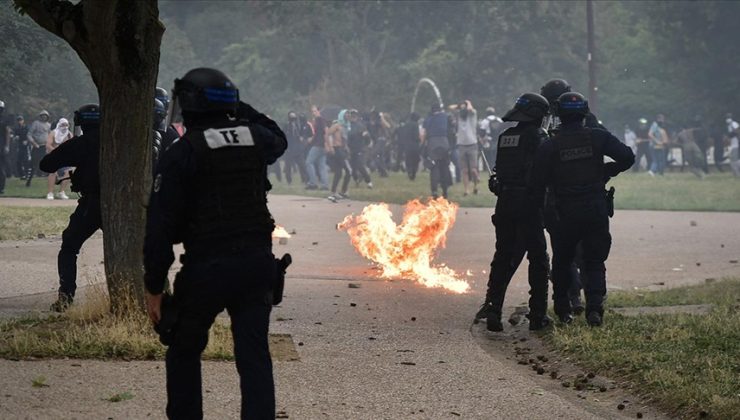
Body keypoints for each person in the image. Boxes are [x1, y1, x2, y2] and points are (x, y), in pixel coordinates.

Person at [144, 68, 287, 419]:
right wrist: (239, 107)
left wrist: (153, 286)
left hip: (208, 268)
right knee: (254, 357)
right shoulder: (255, 137)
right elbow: (279, 138)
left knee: (183, 352)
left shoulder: (183, 150)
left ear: (190, 104)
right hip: (256, 266)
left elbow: (160, 226)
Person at [531, 92, 634, 327]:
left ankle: (563, 309)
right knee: (595, 260)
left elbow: (537, 183)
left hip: (564, 212)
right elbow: (628, 156)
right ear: (584, 112)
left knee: (563, 260)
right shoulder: (598, 138)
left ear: (559, 114)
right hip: (595, 208)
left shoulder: (550, 146)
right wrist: (607, 171)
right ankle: (595, 308)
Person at [475, 93, 552, 332]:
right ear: (539, 116)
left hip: (505, 202)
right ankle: (538, 315)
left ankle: (493, 309)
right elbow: (545, 170)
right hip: (529, 203)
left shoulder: (506, 137)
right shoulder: (538, 137)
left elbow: (501, 171)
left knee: (502, 257)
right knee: (538, 259)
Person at [40, 104, 102, 311]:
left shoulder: (79, 143)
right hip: (117, 205)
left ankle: (66, 296)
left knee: (69, 247)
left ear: (80, 122)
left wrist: (70, 152)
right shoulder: (117, 142)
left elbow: (46, 165)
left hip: (91, 203)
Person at [421, 103, 452, 198]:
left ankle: (434, 191)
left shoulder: (428, 119)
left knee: (434, 166)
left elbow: (423, 133)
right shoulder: (445, 116)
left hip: (432, 142)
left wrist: (422, 144)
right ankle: (445, 190)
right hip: (444, 142)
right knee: (444, 166)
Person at [326, 109, 352, 201]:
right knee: (349, 170)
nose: (348, 115)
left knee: (339, 172)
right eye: (347, 113)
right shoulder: (337, 125)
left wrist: (347, 147)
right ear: (342, 115)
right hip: (337, 149)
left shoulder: (346, 126)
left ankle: (334, 192)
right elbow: (328, 134)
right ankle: (343, 191)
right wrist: (331, 147)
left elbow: (344, 139)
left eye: (349, 113)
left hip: (342, 149)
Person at [45, 118, 73, 200]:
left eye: (66, 125)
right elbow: (48, 145)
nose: (64, 127)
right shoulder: (53, 133)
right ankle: (50, 193)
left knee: (69, 172)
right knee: (53, 172)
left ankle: (61, 192)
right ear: (59, 125)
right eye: (63, 125)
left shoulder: (69, 134)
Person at [455, 100, 479, 196]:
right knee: (464, 170)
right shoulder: (459, 116)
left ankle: (476, 186)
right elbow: (450, 107)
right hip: (461, 145)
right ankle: (466, 190)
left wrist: (468, 102)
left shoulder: (472, 116)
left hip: (472, 144)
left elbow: (470, 109)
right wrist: (459, 105)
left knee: (473, 170)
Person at [305, 105, 329, 190]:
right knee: (321, 165)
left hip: (319, 145)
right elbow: (318, 132)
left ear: (319, 111)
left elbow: (326, 131)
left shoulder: (319, 119)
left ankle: (313, 183)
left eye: (315, 111)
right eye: (312, 111)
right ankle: (325, 185)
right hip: (320, 145)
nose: (313, 113)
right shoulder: (318, 120)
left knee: (308, 162)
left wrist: (326, 143)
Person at [347, 109, 373, 189]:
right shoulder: (348, 126)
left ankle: (368, 181)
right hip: (351, 149)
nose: (353, 117)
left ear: (357, 116)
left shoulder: (360, 126)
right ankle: (357, 180)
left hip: (360, 148)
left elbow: (366, 136)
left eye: (354, 115)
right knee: (353, 168)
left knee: (360, 165)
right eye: (352, 115)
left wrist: (367, 144)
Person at [282, 111, 309, 185]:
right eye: (291, 116)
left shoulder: (299, 125)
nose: (293, 118)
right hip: (289, 148)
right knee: (288, 166)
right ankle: (289, 181)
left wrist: (302, 138)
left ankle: (306, 180)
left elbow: (303, 133)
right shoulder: (286, 125)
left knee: (302, 165)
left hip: (298, 148)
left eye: (294, 116)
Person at [26, 110, 51, 187]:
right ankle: (29, 180)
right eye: (42, 115)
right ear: (40, 116)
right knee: (34, 163)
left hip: (45, 146)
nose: (44, 117)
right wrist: (34, 143)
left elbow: (50, 135)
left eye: (45, 116)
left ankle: (53, 179)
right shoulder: (36, 123)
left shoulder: (48, 125)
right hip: (37, 146)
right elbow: (29, 134)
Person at [478, 107, 503, 173]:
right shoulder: (499, 119)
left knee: (491, 157)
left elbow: (482, 133)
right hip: (499, 140)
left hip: (489, 141)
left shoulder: (485, 121)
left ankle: (492, 170)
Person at [398, 112, 422, 180]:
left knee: (408, 160)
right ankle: (413, 174)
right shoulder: (415, 125)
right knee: (415, 160)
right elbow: (416, 136)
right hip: (415, 145)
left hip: (407, 145)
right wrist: (419, 140)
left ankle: (409, 172)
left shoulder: (406, 124)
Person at [12, 115, 30, 180]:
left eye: (21, 120)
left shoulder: (27, 127)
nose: (20, 121)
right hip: (19, 146)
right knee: (18, 161)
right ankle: (22, 174)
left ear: (23, 120)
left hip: (26, 146)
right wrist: (15, 137)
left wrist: (27, 141)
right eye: (18, 120)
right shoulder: (16, 128)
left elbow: (29, 135)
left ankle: (26, 174)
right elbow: (14, 135)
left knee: (26, 160)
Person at [0, 100, 10, 194]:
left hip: (1, 146)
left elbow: (7, 132)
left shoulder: (4, 120)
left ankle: (1, 188)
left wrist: (7, 146)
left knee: (1, 167)